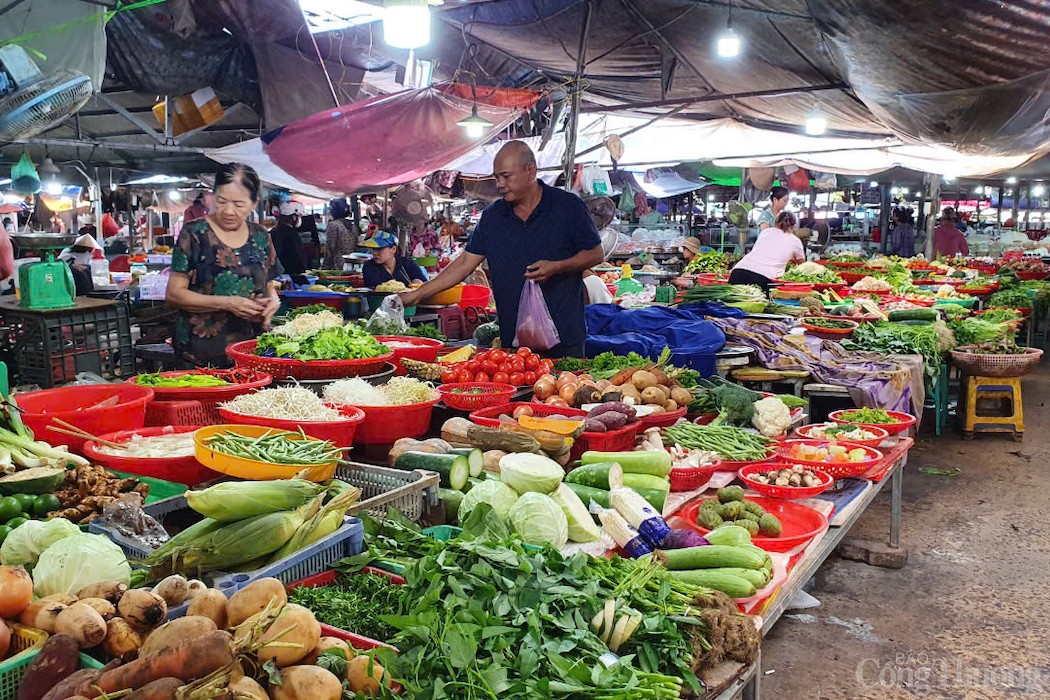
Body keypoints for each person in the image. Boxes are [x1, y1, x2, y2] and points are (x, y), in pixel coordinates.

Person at [399, 141, 603, 357]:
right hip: (514, 341)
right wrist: (418, 295)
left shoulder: (567, 207)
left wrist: (558, 267)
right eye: (496, 177)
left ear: (530, 171)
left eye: (506, 176)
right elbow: (465, 263)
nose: (500, 184)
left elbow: (595, 253)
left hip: (565, 337)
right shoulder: (493, 217)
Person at [166, 163, 280, 367]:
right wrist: (227, 303)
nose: (228, 211)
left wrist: (273, 300)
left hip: (253, 350)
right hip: (201, 353)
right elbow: (174, 294)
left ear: (254, 203)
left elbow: (268, 281)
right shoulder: (194, 234)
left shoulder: (261, 235)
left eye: (238, 204)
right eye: (221, 201)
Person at [728, 211, 804, 292]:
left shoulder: (765, 232)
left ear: (776, 223)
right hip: (765, 279)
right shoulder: (795, 240)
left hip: (738, 272)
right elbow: (802, 265)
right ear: (793, 226)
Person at [362, 231, 426, 288]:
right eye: (373, 249)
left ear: (393, 249)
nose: (375, 253)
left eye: (379, 249)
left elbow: (424, 285)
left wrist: (417, 282)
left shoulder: (408, 264)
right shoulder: (369, 267)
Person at [270, 202, 308, 282]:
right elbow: (297, 257)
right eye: (299, 216)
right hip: (291, 276)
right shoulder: (291, 234)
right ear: (294, 217)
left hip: (276, 276)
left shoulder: (274, 231)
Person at [322, 197, 357, 270]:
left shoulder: (333, 225)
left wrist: (324, 267)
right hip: (351, 264)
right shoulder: (352, 225)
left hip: (336, 265)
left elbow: (329, 247)